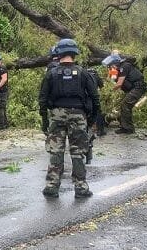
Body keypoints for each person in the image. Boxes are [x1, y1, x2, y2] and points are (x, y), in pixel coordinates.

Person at [38, 38, 101, 198]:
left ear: (58, 53)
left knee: (56, 151)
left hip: (57, 115)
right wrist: (92, 118)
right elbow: (95, 98)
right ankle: (81, 188)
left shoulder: (51, 73)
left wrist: (45, 119)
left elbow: (43, 98)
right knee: (78, 152)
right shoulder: (83, 73)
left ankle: (52, 186)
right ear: (74, 53)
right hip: (78, 115)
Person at [103, 52, 147, 134]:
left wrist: (109, 91)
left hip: (138, 87)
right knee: (123, 105)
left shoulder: (124, 66)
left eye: (110, 65)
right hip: (131, 89)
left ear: (115, 63)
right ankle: (125, 126)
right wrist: (111, 73)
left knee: (125, 104)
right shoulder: (117, 69)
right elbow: (112, 80)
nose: (110, 67)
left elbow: (119, 84)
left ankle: (128, 128)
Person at [41, 46, 59, 133]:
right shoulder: (74, 67)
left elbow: (45, 90)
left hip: (54, 105)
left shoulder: (50, 68)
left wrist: (44, 119)